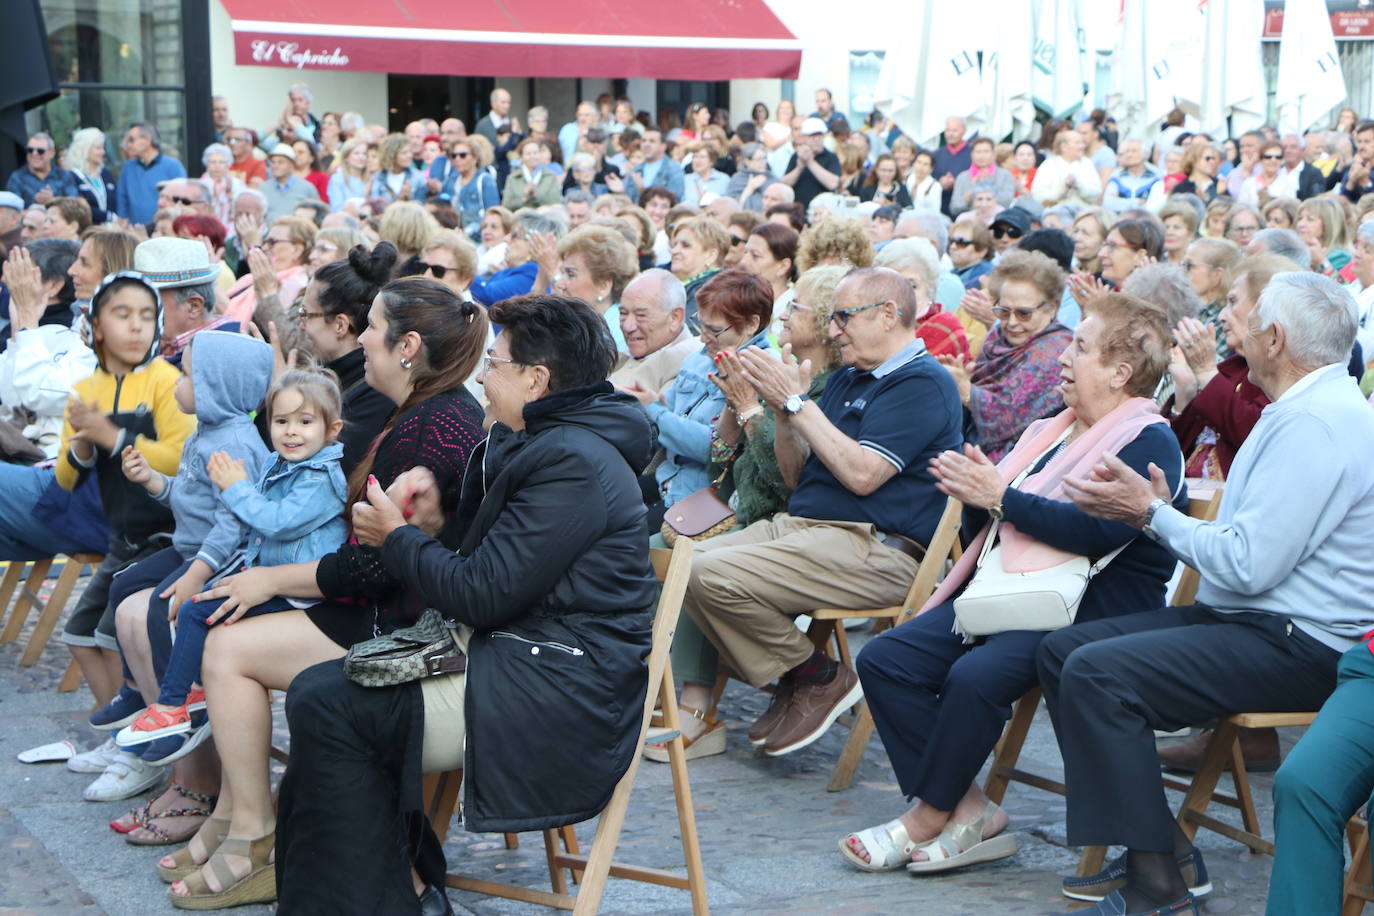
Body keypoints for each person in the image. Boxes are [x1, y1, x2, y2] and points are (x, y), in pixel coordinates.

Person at [270, 294, 655, 913]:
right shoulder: (544, 439)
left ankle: (380, 897)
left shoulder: (572, 461)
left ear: (537, 379)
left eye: (496, 364)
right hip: (519, 652)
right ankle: (393, 889)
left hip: (557, 683)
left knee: (334, 706)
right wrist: (433, 523)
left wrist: (395, 538)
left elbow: (481, 593)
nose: (482, 374)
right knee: (322, 695)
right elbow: (493, 569)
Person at [1039, 271, 1374, 916]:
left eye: (1245, 320)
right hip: (1258, 623)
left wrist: (1152, 512)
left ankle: (1159, 886)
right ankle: (1161, 851)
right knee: (1061, 652)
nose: (1232, 328)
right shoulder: (1308, 411)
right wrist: (1166, 508)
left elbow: (1248, 565)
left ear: (1274, 339)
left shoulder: (1318, 424)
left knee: (1100, 675)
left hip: (1299, 643)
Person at [164, 278, 488, 908]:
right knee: (221, 629)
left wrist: (270, 580)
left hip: (402, 623)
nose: (361, 338)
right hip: (391, 605)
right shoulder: (423, 413)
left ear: (407, 346)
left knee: (228, 652)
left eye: (371, 327)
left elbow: (380, 569)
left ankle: (254, 833)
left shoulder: (437, 423)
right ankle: (238, 819)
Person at [842, 293, 1184, 875]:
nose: (1062, 358)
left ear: (1120, 372)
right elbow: (998, 528)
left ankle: (926, 816)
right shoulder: (1049, 431)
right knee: (885, 657)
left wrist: (999, 496)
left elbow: (1093, 535)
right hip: (1005, 593)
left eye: (1079, 347)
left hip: (1081, 610)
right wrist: (978, 494)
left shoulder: (1149, 440)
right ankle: (971, 807)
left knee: (973, 677)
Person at [674, 267, 960, 759]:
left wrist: (795, 401)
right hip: (809, 528)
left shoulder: (922, 384)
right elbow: (795, 479)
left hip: (875, 546)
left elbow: (864, 476)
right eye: (831, 319)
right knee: (683, 564)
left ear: (889, 315)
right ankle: (804, 676)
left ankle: (814, 676)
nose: (833, 331)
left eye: (843, 318)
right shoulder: (852, 375)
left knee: (706, 571)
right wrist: (785, 417)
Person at [653, 265, 848, 761]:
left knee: (685, 560)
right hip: (743, 506)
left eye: (796, 309)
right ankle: (668, 691)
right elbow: (722, 460)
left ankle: (697, 705)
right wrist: (730, 408)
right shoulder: (757, 364)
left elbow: (785, 478)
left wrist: (751, 408)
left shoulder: (822, 383)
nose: (783, 316)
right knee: (654, 548)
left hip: (778, 514)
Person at [115, 368, 347, 752]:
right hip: (269, 572)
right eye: (281, 421)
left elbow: (277, 522)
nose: (291, 431)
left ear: (332, 429)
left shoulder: (320, 479)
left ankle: (173, 704)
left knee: (196, 612)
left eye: (305, 422)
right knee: (191, 606)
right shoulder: (282, 464)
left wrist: (236, 487)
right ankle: (181, 699)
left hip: (299, 591)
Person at [88, 329, 275, 771]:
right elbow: (188, 497)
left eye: (187, 376)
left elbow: (235, 520)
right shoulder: (205, 432)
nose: (177, 383)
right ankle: (135, 690)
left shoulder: (232, 443)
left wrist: (197, 573)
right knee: (122, 585)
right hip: (188, 545)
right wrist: (151, 480)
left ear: (216, 386)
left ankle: (182, 702)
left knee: (161, 605)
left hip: (218, 556)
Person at [622, 269, 773, 514]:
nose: (703, 338)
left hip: (704, 497)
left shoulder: (759, 373)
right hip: (666, 479)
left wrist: (652, 410)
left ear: (751, 324)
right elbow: (667, 413)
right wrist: (647, 401)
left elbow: (715, 448)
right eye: (699, 326)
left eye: (714, 331)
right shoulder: (700, 358)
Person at [1166, 254, 1288, 484]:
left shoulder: (1287, 373)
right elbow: (1169, 456)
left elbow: (1255, 434)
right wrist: (1185, 392)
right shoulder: (1233, 368)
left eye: (1232, 302)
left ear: (1265, 310)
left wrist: (1205, 372)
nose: (1222, 316)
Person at [942, 250, 1074, 461]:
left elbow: (1007, 420)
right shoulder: (998, 335)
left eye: (1024, 313)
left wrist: (967, 391)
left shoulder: (1055, 350)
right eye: (1003, 312)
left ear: (1052, 308)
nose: (1011, 322)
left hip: (1019, 463)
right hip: (971, 449)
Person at [0, 242, 93, 458]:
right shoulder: (42, 323)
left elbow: (35, 394)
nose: (8, 280)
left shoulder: (59, 330)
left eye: (22, 272)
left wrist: (26, 320)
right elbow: (11, 396)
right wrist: (18, 325)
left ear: (53, 285)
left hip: (49, 461)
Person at [875, 237, 970, 361]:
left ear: (930, 289)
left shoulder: (945, 329)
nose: (901, 294)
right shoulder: (871, 323)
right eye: (892, 284)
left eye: (912, 286)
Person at [550, 223, 638, 351]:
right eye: (562, 273)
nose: (560, 284)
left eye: (570, 275)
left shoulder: (619, 333)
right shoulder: (581, 323)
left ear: (603, 286)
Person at [610, 269, 700, 391]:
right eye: (623, 313)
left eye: (641, 315)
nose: (627, 326)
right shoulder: (616, 358)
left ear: (675, 318)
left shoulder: (685, 366)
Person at [223, 215, 315, 327]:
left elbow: (272, 326)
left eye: (272, 242)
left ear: (297, 250)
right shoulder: (250, 279)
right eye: (265, 242)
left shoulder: (296, 283)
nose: (265, 248)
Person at [470, 210, 561, 306]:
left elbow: (486, 294)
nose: (506, 239)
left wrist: (463, 265)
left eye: (514, 236)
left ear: (534, 245)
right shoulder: (513, 270)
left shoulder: (532, 271)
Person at [1180, 237, 1242, 358]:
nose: (1181, 271)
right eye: (1181, 264)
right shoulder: (1185, 306)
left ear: (1216, 275)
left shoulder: (1224, 321)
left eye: (1189, 265)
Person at [116, 123, 187, 226]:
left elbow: (182, 199)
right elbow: (122, 201)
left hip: (165, 231)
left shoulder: (173, 166)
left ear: (147, 140)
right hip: (135, 232)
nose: (128, 145)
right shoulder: (128, 167)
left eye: (131, 140)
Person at [669, 215, 730, 323]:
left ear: (711, 255)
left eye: (685, 245)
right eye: (675, 244)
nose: (674, 251)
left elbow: (686, 331)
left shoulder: (710, 293)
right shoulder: (683, 286)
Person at [739, 222, 799, 320]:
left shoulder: (792, 310)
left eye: (755, 255)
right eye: (745, 252)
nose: (743, 262)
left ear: (783, 266)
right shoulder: (739, 298)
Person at [1031, 130, 1102, 208]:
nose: (1082, 146)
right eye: (1077, 143)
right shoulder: (1049, 165)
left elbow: (1097, 192)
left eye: (1082, 142)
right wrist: (1061, 191)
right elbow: (1037, 195)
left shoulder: (1087, 163)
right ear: (1064, 147)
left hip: (1082, 213)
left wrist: (1078, 185)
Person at [781, 118, 841, 209]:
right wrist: (799, 168)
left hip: (823, 211)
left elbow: (833, 184)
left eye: (820, 135)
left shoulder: (831, 157)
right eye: (812, 136)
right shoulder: (796, 156)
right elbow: (784, 184)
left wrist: (810, 162)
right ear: (804, 138)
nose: (817, 139)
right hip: (799, 210)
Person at [6, 132, 78, 207]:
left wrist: (52, 200)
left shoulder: (64, 175)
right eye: (30, 150)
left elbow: (74, 203)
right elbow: (12, 210)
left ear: (52, 153)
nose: (34, 154)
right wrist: (35, 201)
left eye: (40, 151)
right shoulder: (17, 178)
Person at [951, 138, 1014, 217]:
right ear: (972, 154)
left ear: (993, 154)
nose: (982, 156)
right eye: (978, 152)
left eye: (986, 152)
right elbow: (954, 207)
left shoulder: (1005, 175)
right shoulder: (962, 177)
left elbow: (1006, 201)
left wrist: (988, 185)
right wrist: (972, 191)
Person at [259, 143, 321, 223]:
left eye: (281, 162)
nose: (275, 166)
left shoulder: (307, 188)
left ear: (292, 164)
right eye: (273, 162)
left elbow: (317, 216)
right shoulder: (263, 189)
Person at [67, 127, 117, 224]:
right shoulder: (73, 176)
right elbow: (79, 208)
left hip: (111, 232)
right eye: (98, 148)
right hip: (88, 231)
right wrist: (109, 216)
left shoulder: (105, 174)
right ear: (84, 149)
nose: (103, 152)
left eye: (103, 147)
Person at [1296, 196, 1354, 278]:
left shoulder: (1340, 257)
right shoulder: (1295, 250)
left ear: (1327, 224)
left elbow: (1337, 287)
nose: (1301, 224)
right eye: (1300, 218)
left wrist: (1320, 262)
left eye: (1310, 219)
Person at [626, 127, 685, 205]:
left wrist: (644, 191)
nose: (646, 144)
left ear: (663, 146)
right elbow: (630, 200)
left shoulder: (674, 169)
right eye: (643, 141)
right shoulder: (636, 170)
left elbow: (675, 200)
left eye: (652, 141)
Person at [1102, 138, 1161, 214]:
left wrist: (1121, 202)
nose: (1129, 155)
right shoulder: (1117, 176)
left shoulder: (1156, 176)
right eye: (1127, 151)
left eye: (1134, 151)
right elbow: (1108, 203)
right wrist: (1137, 202)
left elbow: (1155, 206)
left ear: (1146, 154)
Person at [502, 138, 561, 212]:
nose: (532, 157)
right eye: (528, 154)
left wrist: (536, 195)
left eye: (535, 153)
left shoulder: (550, 176)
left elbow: (556, 203)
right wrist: (524, 198)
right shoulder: (513, 178)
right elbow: (506, 205)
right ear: (521, 157)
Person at [368, 134, 426, 205]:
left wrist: (407, 202)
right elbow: (375, 205)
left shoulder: (418, 177)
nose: (409, 155)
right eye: (404, 153)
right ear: (392, 155)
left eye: (410, 152)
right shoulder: (378, 178)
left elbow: (422, 204)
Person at [728, 142, 778, 212]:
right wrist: (749, 188)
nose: (763, 162)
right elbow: (733, 206)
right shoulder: (737, 179)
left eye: (764, 158)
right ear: (747, 161)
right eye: (759, 159)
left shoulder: (772, 179)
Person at [948, 218, 995, 290]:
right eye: (951, 241)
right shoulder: (952, 272)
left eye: (961, 243)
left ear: (982, 250)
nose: (953, 247)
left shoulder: (988, 275)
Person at [326, 139, 371, 213]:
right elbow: (336, 208)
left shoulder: (372, 179)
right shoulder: (337, 179)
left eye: (365, 154)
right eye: (356, 153)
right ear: (346, 158)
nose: (361, 157)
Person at [681, 142, 731, 206]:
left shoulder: (724, 179)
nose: (697, 160)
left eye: (702, 157)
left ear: (711, 161)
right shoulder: (685, 180)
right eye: (695, 156)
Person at [1071, 208, 1116, 277]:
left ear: (1105, 240)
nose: (1076, 238)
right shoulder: (1069, 271)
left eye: (1085, 233)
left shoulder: (1107, 281)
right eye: (1076, 231)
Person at [1339, 119, 1374, 203]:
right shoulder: (1355, 166)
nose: (1361, 146)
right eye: (1359, 142)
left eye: (1366, 141)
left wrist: (1366, 182)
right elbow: (1342, 200)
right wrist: (1351, 182)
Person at [291, 139, 331, 204]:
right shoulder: (284, 176)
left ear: (311, 158)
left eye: (300, 152)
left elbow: (324, 203)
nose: (295, 155)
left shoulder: (322, 178)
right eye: (293, 152)